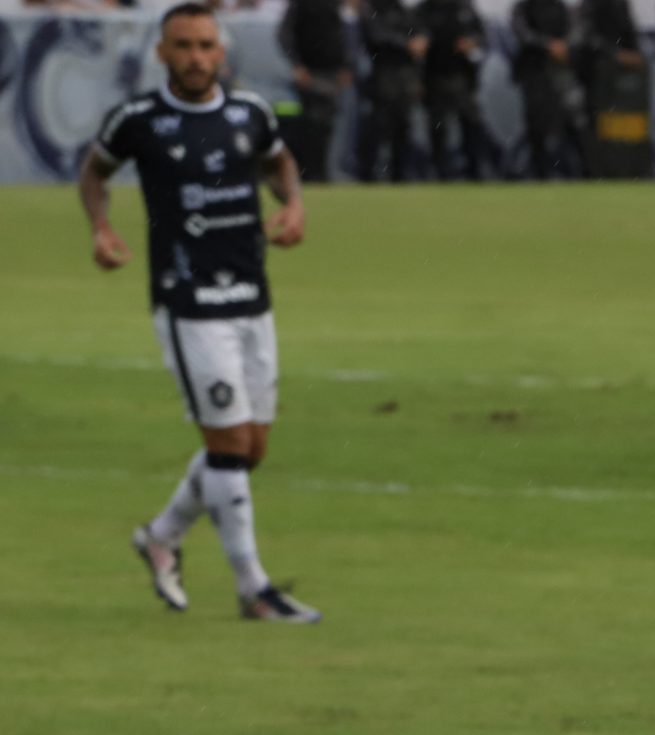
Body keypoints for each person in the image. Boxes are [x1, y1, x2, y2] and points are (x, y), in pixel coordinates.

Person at [78, 2, 320, 624]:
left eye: (205, 46)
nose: (194, 57)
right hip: (188, 302)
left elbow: (278, 162)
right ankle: (253, 589)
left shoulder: (250, 113)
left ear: (222, 52)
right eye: (182, 46)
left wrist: (292, 206)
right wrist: (101, 229)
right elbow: (94, 172)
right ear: (161, 53)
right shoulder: (139, 120)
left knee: (251, 447)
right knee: (228, 442)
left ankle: (160, 536)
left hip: (251, 295)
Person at [277, 0, 352, 182]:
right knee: (312, 125)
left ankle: (322, 173)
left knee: (327, 126)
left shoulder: (334, 5)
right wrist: (297, 65)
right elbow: (284, 35)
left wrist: (345, 66)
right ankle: (310, 174)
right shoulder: (301, 4)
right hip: (311, 74)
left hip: (332, 73)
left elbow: (340, 36)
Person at [418, 0, 494, 179]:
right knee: (438, 128)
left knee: (472, 124)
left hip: (463, 78)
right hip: (434, 77)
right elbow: (415, 40)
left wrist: (472, 43)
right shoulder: (425, 10)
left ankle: (474, 171)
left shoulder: (465, 8)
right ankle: (440, 173)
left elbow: (482, 38)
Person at [510, 0, 580, 179]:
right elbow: (523, 33)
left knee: (568, 121)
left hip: (560, 73)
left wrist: (564, 45)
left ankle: (571, 172)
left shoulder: (559, 7)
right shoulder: (524, 7)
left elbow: (573, 30)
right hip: (533, 73)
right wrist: (548, 45)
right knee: (536, 125)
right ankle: (539, 172)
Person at [357, 0, 425, 182]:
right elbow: (377, 36)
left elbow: (419, 33)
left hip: (405, 78)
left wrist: (419, 42)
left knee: (403, 128)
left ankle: (400, 175)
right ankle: (369, 175)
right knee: (379, 127)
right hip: (383, 76)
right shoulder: (372, 7)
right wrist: (407, 44)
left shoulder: (403, 9)